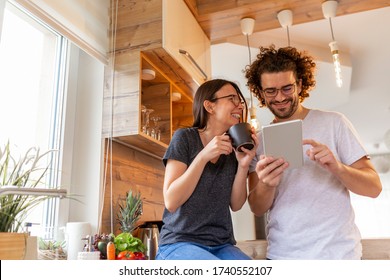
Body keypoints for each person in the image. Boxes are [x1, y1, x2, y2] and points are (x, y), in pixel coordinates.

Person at [245, 45, 382, 260]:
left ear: (299, 84)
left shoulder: (334, 123)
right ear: (261, 92)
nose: (279, 97)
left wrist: (337, 168)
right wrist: (266, 183)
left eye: (287, 88)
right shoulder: (259, 141)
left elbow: (374, 188)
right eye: (270, 91)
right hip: (285, 257)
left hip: (339, 255)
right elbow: (257, 208)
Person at [155, 79, 257, 260]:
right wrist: (203, 157)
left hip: (222, 245)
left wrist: (243, 166)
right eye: (232, 99)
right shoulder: (184, 138)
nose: (240, 106)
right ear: (210, 106)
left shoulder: (234, 147)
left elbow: (236, 204)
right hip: (180, 243)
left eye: (240, 101)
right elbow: (171, 200)